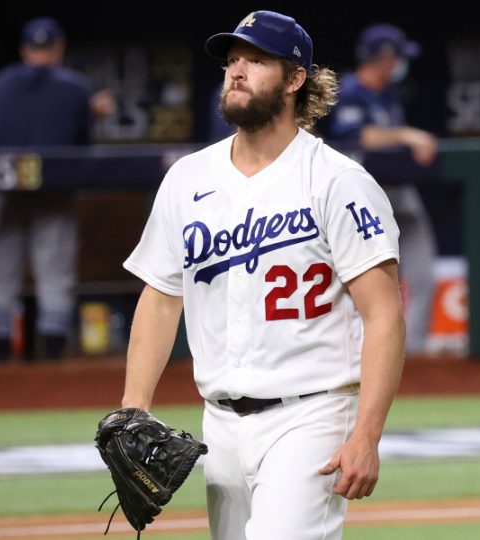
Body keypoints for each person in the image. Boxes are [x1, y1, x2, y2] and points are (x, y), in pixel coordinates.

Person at [120, 10, 406, 539]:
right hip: (220, 426)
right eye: (232, 60)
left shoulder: (336, 181)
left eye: (256, 60)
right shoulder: (187, 179)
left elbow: (383, 313)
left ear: (296, 79)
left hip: (313, 414)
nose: (237, 70)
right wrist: (133, 408)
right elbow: (160, 299)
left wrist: (367, 434)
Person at [0, 17, 113, 361]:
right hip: (54, 191)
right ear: (59, 49)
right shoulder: (77, 87)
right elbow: (83, 146)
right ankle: (52, 355)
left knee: (0, 275)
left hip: (5, 188)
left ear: (26, 50)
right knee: (54, 275)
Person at [318, 23, 438, 354]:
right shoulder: (351, 90)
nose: (400, 62)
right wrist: (406, 135)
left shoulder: (388, 93)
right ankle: (357, 354)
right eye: (396, 55)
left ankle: (414, 355)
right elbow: (360, 137)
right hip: (362, 198)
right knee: (359, 283)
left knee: (424, 275)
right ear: (382, 57)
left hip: (400, 193)